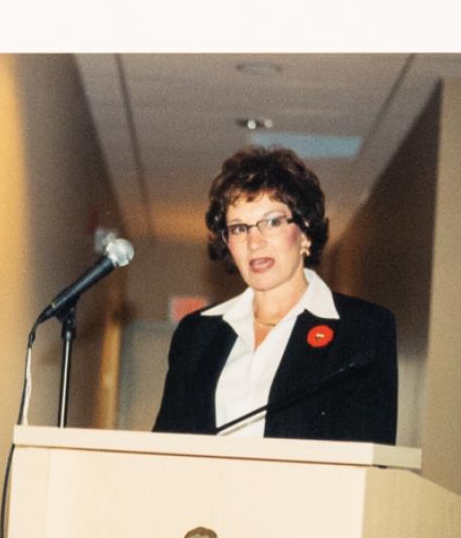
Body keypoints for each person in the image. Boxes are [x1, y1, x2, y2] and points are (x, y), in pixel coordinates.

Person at [152, 146, 398, 443]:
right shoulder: (196, 334)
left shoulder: (363, 329)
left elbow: (367, 456)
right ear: (227, 243)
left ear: (305, 232)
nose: (254, 242)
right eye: (239, 228)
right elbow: (167, 446)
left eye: (272, 222)